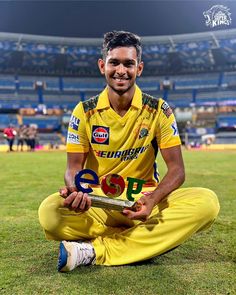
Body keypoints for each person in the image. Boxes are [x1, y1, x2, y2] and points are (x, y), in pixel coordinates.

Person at [38, 31, 220, 272]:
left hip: (142, 203)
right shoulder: (84, 111)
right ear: (103, 65)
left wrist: (152, 200)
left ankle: (95, 250)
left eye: (128, 63)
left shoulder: (158, 110)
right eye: (114, 62)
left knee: (207, 203)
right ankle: (140, 240)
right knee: (50, 213)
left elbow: (177, 171)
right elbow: (73, 169)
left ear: (139, 68)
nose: (121, 70)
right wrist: (77, 192)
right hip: (98, 203)